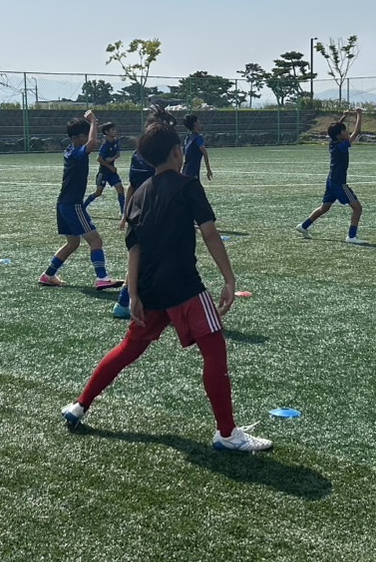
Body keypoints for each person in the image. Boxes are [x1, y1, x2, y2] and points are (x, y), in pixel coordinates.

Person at [61, 121, 272, 452]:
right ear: (177, 151)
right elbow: (209, 233)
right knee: (214, 350)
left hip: (149, 288)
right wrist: (229, 279)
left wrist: (133, 293)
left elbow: (134, 249)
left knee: (128, 349)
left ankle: (79, 405)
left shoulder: (140, 193)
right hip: (183, 285)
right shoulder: (188, 185)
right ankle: (227, 434)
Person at [40, 111, 121, 290]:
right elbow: (92, 144)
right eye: (85, 134)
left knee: (73, 243)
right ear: (76, 138)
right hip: (72, 205)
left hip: (63, 204)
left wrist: (91, 125)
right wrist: (93, 121)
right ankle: (102, 277)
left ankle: (48, 275)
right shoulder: (77, 153)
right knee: (95, 241)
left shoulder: (71, 150)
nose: (89, 137)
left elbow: (90, 143)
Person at [111, 104, 175, 320]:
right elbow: (136, 186)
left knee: (141, 258)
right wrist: (125, 214)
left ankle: (126, 302)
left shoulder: (143, 154)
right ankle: (130, 302)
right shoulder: (154, 156)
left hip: (146, 213)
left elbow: (134, 186)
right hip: (152, 214)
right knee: (151, 259)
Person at [297, 108, 365, 244]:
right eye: (344, 131)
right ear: (339, 136)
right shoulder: (342, 146)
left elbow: (333, 131)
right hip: (339, 184)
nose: (346, 132)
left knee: (325, 208)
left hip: (331, 181)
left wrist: (343, 117)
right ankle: (351, 237)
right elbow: (357, 132)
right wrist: (359, 114)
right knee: (358, 208)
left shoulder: (333, 142)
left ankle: (303, 226)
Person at [83, 122, 126, 214]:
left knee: (120, 189)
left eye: (115, 129)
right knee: (98, 193)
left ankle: (123, 212)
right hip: (104, 173)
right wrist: (109, 166)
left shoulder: (115, 141)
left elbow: (118, 154)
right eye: (113, 130)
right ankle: (83, 206)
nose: (115, 131)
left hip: (112, 172)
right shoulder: (105, 145)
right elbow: (99, 159)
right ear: (107, 132)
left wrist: (112, 159)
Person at [181, 113, 212, 181]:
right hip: (192, 174)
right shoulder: (197, 138)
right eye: (199, 122)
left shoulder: (188, 138)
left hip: (185, 172)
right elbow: (205, 153)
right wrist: (208, 169)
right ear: (195, 124)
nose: (200, 124)